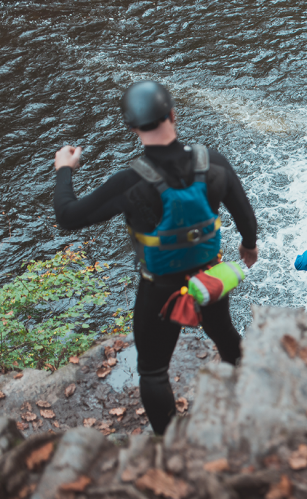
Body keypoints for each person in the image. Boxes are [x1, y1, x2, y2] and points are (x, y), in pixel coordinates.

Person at [52, 80, 258, 435]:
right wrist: (248, 246)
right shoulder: (213, 163)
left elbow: (67, 216)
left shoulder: (130, 182)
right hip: (210, 277)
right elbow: (245, 214)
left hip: (161, 289)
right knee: (223, 331)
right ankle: (248, 404)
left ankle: (169, 443)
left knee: (152, 370)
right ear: (173, 114)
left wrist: (64, 169)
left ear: (132, 128)